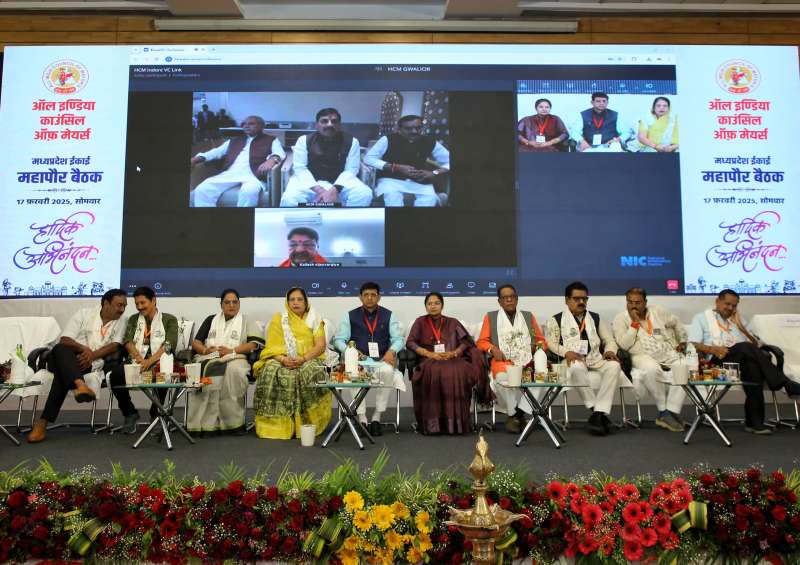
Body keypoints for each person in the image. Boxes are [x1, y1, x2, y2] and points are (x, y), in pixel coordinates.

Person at [688, 289, 800, 435]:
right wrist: (712, 349)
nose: (730, 308)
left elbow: (756, 346)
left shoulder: (738, 320)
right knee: (744, 347)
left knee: (752, 366)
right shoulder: (701, 318)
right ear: (717, 301)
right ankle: (785, 383)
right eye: (727, 304)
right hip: (716, 363)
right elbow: (692, 344)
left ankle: (754, 423)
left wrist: (741, 327)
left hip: (740, 363)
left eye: (734, 306)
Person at [26, 289, 128, 443]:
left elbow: (115, 345)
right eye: (119, 305)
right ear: (106, 303)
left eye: (124, 306)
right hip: (62, 357)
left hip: (87, 363)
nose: (122, 309)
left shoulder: (122, 321)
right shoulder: (84, 314)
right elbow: (65, 340)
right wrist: (84, 349)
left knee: (63, 374)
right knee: (60, 349)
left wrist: (92, 356)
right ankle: (80, 385)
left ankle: (42, 424)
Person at [252, 287, 332, 439]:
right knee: (270, 370)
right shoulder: (279, 319)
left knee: (308, 371)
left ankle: (306, 424)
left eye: (299, 299)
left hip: (309, 358)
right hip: (282, 358)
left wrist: (303, 358)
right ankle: (276, 426)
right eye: (292, 300)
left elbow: (320, 346)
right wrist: (283, 359)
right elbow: (271, 347)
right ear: (287, 302)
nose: (296, 303)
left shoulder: (314, 318)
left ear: (306, 302)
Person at [545, 281, 623, 436]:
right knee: (576, 367)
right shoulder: (556, 319)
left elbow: (609, 340)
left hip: (596, 359)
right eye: (577, 299)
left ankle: (598, 413)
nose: (581, 302)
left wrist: (609, 351)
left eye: (584, 299)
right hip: (573, 359)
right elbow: (551, 343)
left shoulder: (595, 318)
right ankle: (597, 412)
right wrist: (566, 352)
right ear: (567, 300)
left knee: (614, 366)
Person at [406, 292, 487, 435]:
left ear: (442, 305)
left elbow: (466, 341)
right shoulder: (420, 322)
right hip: (429, 359)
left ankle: (456, 423)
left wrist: (454, 353)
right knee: (434, 371)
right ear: (426, 306)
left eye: (436, 303)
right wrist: (428, 353)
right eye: (430, 303)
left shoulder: (453, 322)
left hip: (452, 358)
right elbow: (411, 342)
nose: (433, 306)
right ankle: (434, 425)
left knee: (458, 370)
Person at [187, 289, 263, 435]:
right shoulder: (211, 320)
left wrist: (231, 351)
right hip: (209, 356)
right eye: (227, 302)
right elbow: (196, 342)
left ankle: (231, 423)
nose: (231, 305)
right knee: (201, 369)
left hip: (236, 357)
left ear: (239, 304)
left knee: (233, 370)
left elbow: (253, 344)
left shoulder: (247, 320)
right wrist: (205, 351)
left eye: (235, 302)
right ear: (221, 305)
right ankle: (205, 424)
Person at [333, 282, 405, 436]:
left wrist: (392, 351)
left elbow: (398, 339)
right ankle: (362, 418)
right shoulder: (350, 315)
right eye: (366, 295)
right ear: (360, 297)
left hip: (381, 360)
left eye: (373, 295)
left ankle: (377, 417)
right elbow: (338, 340)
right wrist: (350, 351)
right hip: (358, 361)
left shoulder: (389, 315)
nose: (370, 298)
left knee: (387, 372)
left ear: (379, 297)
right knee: (354, 374)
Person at [612, 287, 687, 432]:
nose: (633, 306)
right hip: (641, 355)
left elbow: (677, 323)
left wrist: (682, 340)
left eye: (637, 302)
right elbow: (624, 345)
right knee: (651, 368)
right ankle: (663, 411)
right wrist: (634, 324)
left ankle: (672, 409)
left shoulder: (658, 312)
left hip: (665, 351)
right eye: (630, 302)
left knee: (683, 366)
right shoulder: (620, 319)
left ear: (645, 302)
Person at [476, 284, 547, 433]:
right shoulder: (491, 317)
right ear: (499, 301)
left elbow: (541, 340)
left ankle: (517, 415)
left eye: (512, 297)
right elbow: (481, 341)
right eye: (505, 298)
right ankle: (513, 413)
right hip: (503, 361)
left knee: (540, 378)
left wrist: (537, 348)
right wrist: (493, 349)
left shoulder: (528, 316)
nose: (509, 300)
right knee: (503, 378)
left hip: (527, 361)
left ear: (517, 299)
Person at [108, 286, 179, 433]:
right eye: (137, 304)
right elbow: (127, 341)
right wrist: (139, 359)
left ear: (153, 300)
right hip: (137, 361)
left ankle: (156, 413)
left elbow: (169, 344)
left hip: (158, 360)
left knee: (162, 374)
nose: (140, 307)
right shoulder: (134, 319)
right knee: (116, 375)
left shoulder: (169, 319)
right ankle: (130, 413)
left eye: (143, 303)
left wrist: (150, 361)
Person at [279, 108, 372, 207]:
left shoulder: (352, 142)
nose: (330, 124)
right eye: (324, 121)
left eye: (334, 121)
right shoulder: (304, 140)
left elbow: (351, 169)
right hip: (310, 181)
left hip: (340, 182)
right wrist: (320, 190)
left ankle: (345, 217)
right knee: (289, 199)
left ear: (339, 125)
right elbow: (300, 168)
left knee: (364, 194)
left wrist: (335, 190)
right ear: (317, 125)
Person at [191, 115, 285, 208]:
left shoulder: (271, 139)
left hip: (253, 175)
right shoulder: (234, 140)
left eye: (251, 124)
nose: (246, 126)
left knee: (249, 192)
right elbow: (216, 152)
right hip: (230, 173)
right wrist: (197, 158)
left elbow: (279, 153)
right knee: (203, 189)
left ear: (261, 126)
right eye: (244, 124)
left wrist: (272, 160)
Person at [364, 115, 450, 207]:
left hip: (420, 180)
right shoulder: (388, 139)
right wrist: (396, 167)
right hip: (391, 179)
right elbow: (368, 158)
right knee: (392, 197)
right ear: (399, 129)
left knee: (430, 199)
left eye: (418, 128)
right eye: (408, 128)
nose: (414, 131)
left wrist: (434, 172)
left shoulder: (430, 141)